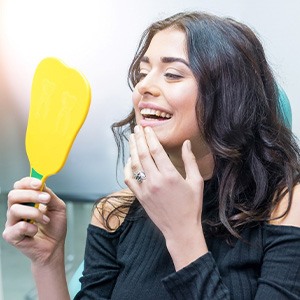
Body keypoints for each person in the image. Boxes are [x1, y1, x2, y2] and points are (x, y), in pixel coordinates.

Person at [2, 11, 300, 300]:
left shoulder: (285, 206)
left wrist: (182, 234)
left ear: (230, 96)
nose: (143, 86)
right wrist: (47, 262)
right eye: (143, 73)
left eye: (172, 74)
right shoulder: (114, 213)